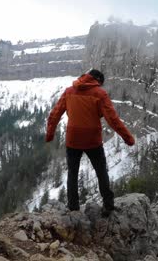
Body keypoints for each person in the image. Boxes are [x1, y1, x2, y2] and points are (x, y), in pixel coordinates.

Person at [46, 69, 135, 216]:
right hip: (93, 140)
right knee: (101, 172)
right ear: (97, 80)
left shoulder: (69, 91)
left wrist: (49, 135)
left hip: (73, 139)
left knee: (72, 174)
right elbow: (113, 120)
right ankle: (108, 205)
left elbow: (54, 114)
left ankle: (73, 208)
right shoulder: (100, 94)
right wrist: (128, 138)